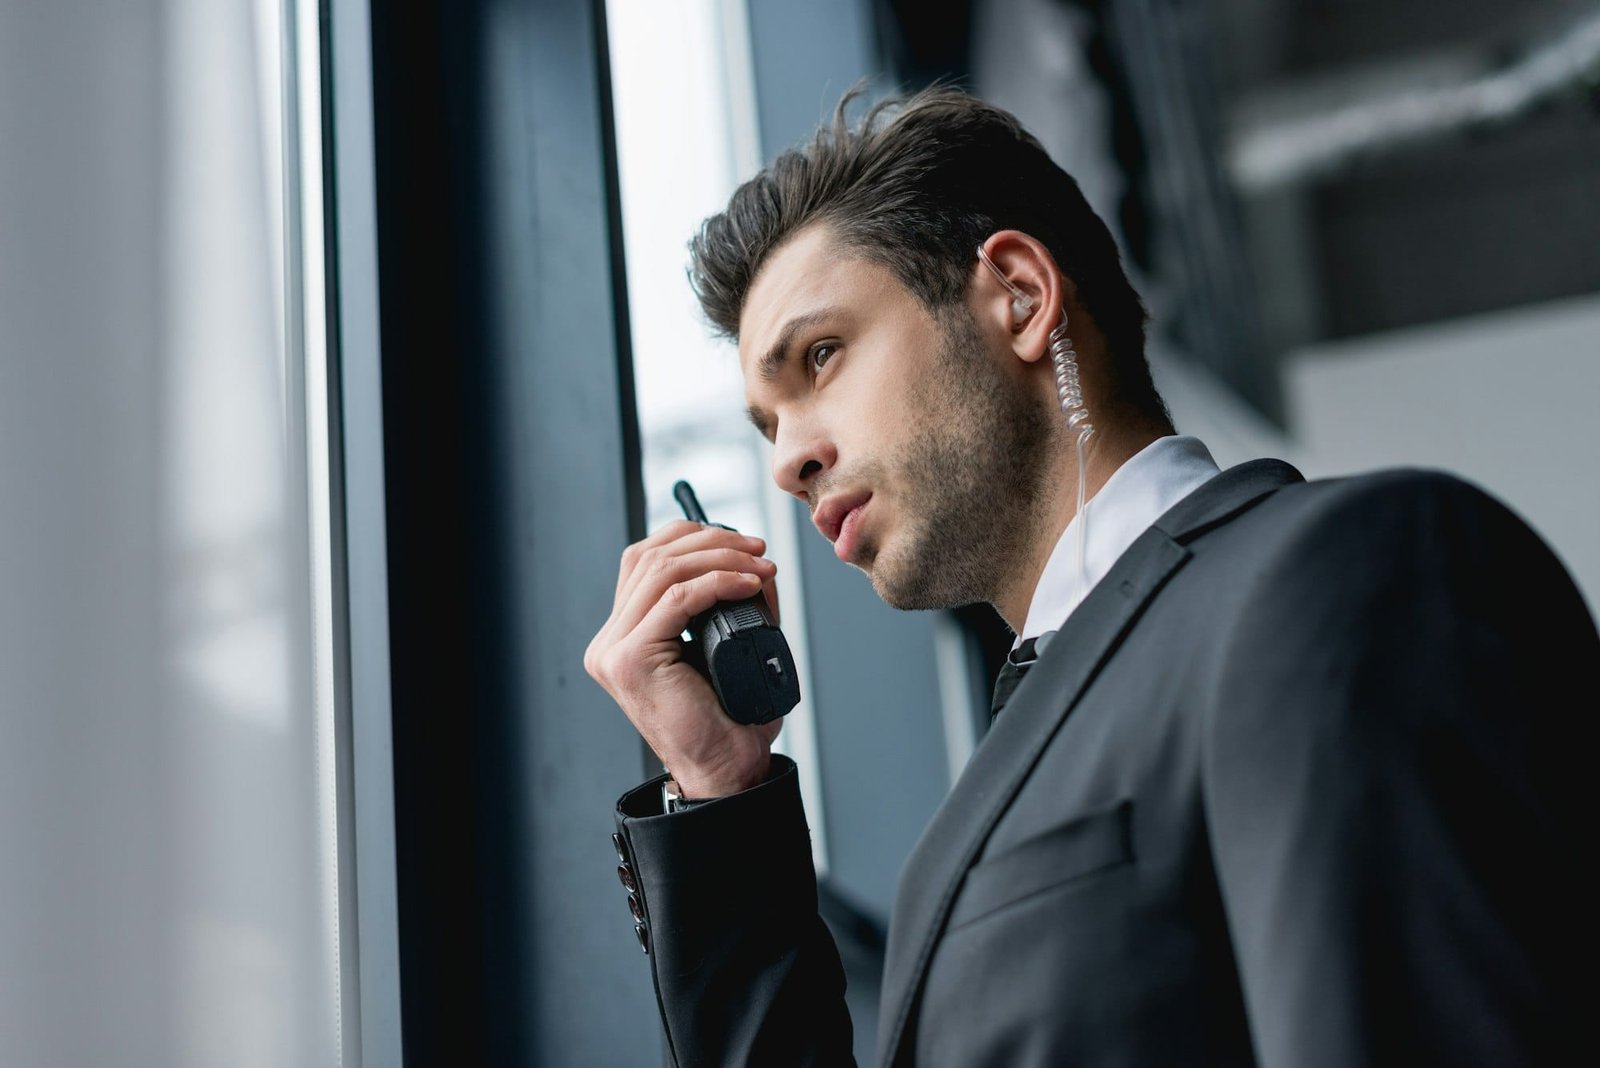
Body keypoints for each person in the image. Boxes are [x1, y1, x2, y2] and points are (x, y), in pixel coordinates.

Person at [583, 88, 1595, 1067]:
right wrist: (722, 790)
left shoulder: (1346, 574)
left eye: (821, 355)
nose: (785, 460)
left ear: (1019, 297)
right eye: (766, 425)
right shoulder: (997, 774)